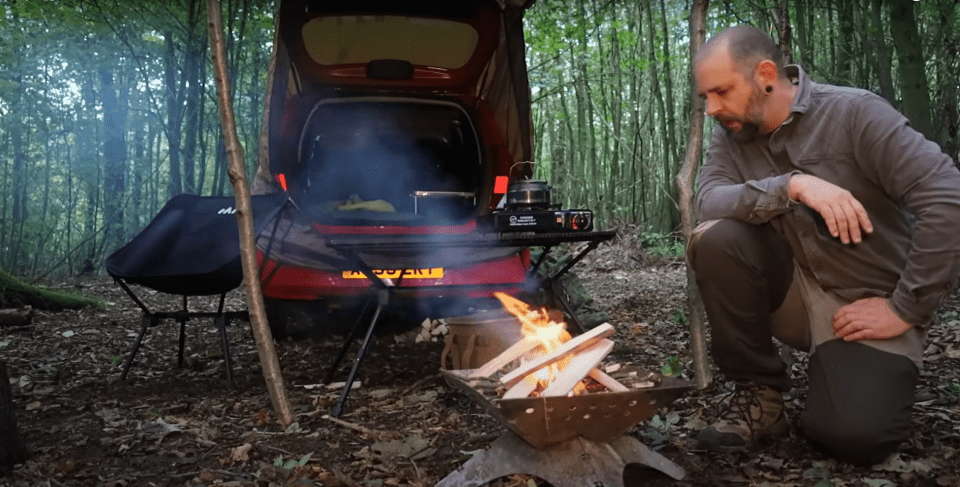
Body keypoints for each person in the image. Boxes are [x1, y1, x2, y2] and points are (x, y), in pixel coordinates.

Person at [689, 24, 960, 465]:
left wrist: (905, 308)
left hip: (866, 306)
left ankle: (851, 376)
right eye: (706, 97)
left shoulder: (855, 114)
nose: (713, 108)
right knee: (716, 238)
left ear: (765, 74)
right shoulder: (733, 132)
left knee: (854, 438)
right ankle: (760, 393)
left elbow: (948, 197)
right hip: (792, 292)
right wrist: (792, 185)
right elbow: (707, 199)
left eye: (721, 91)